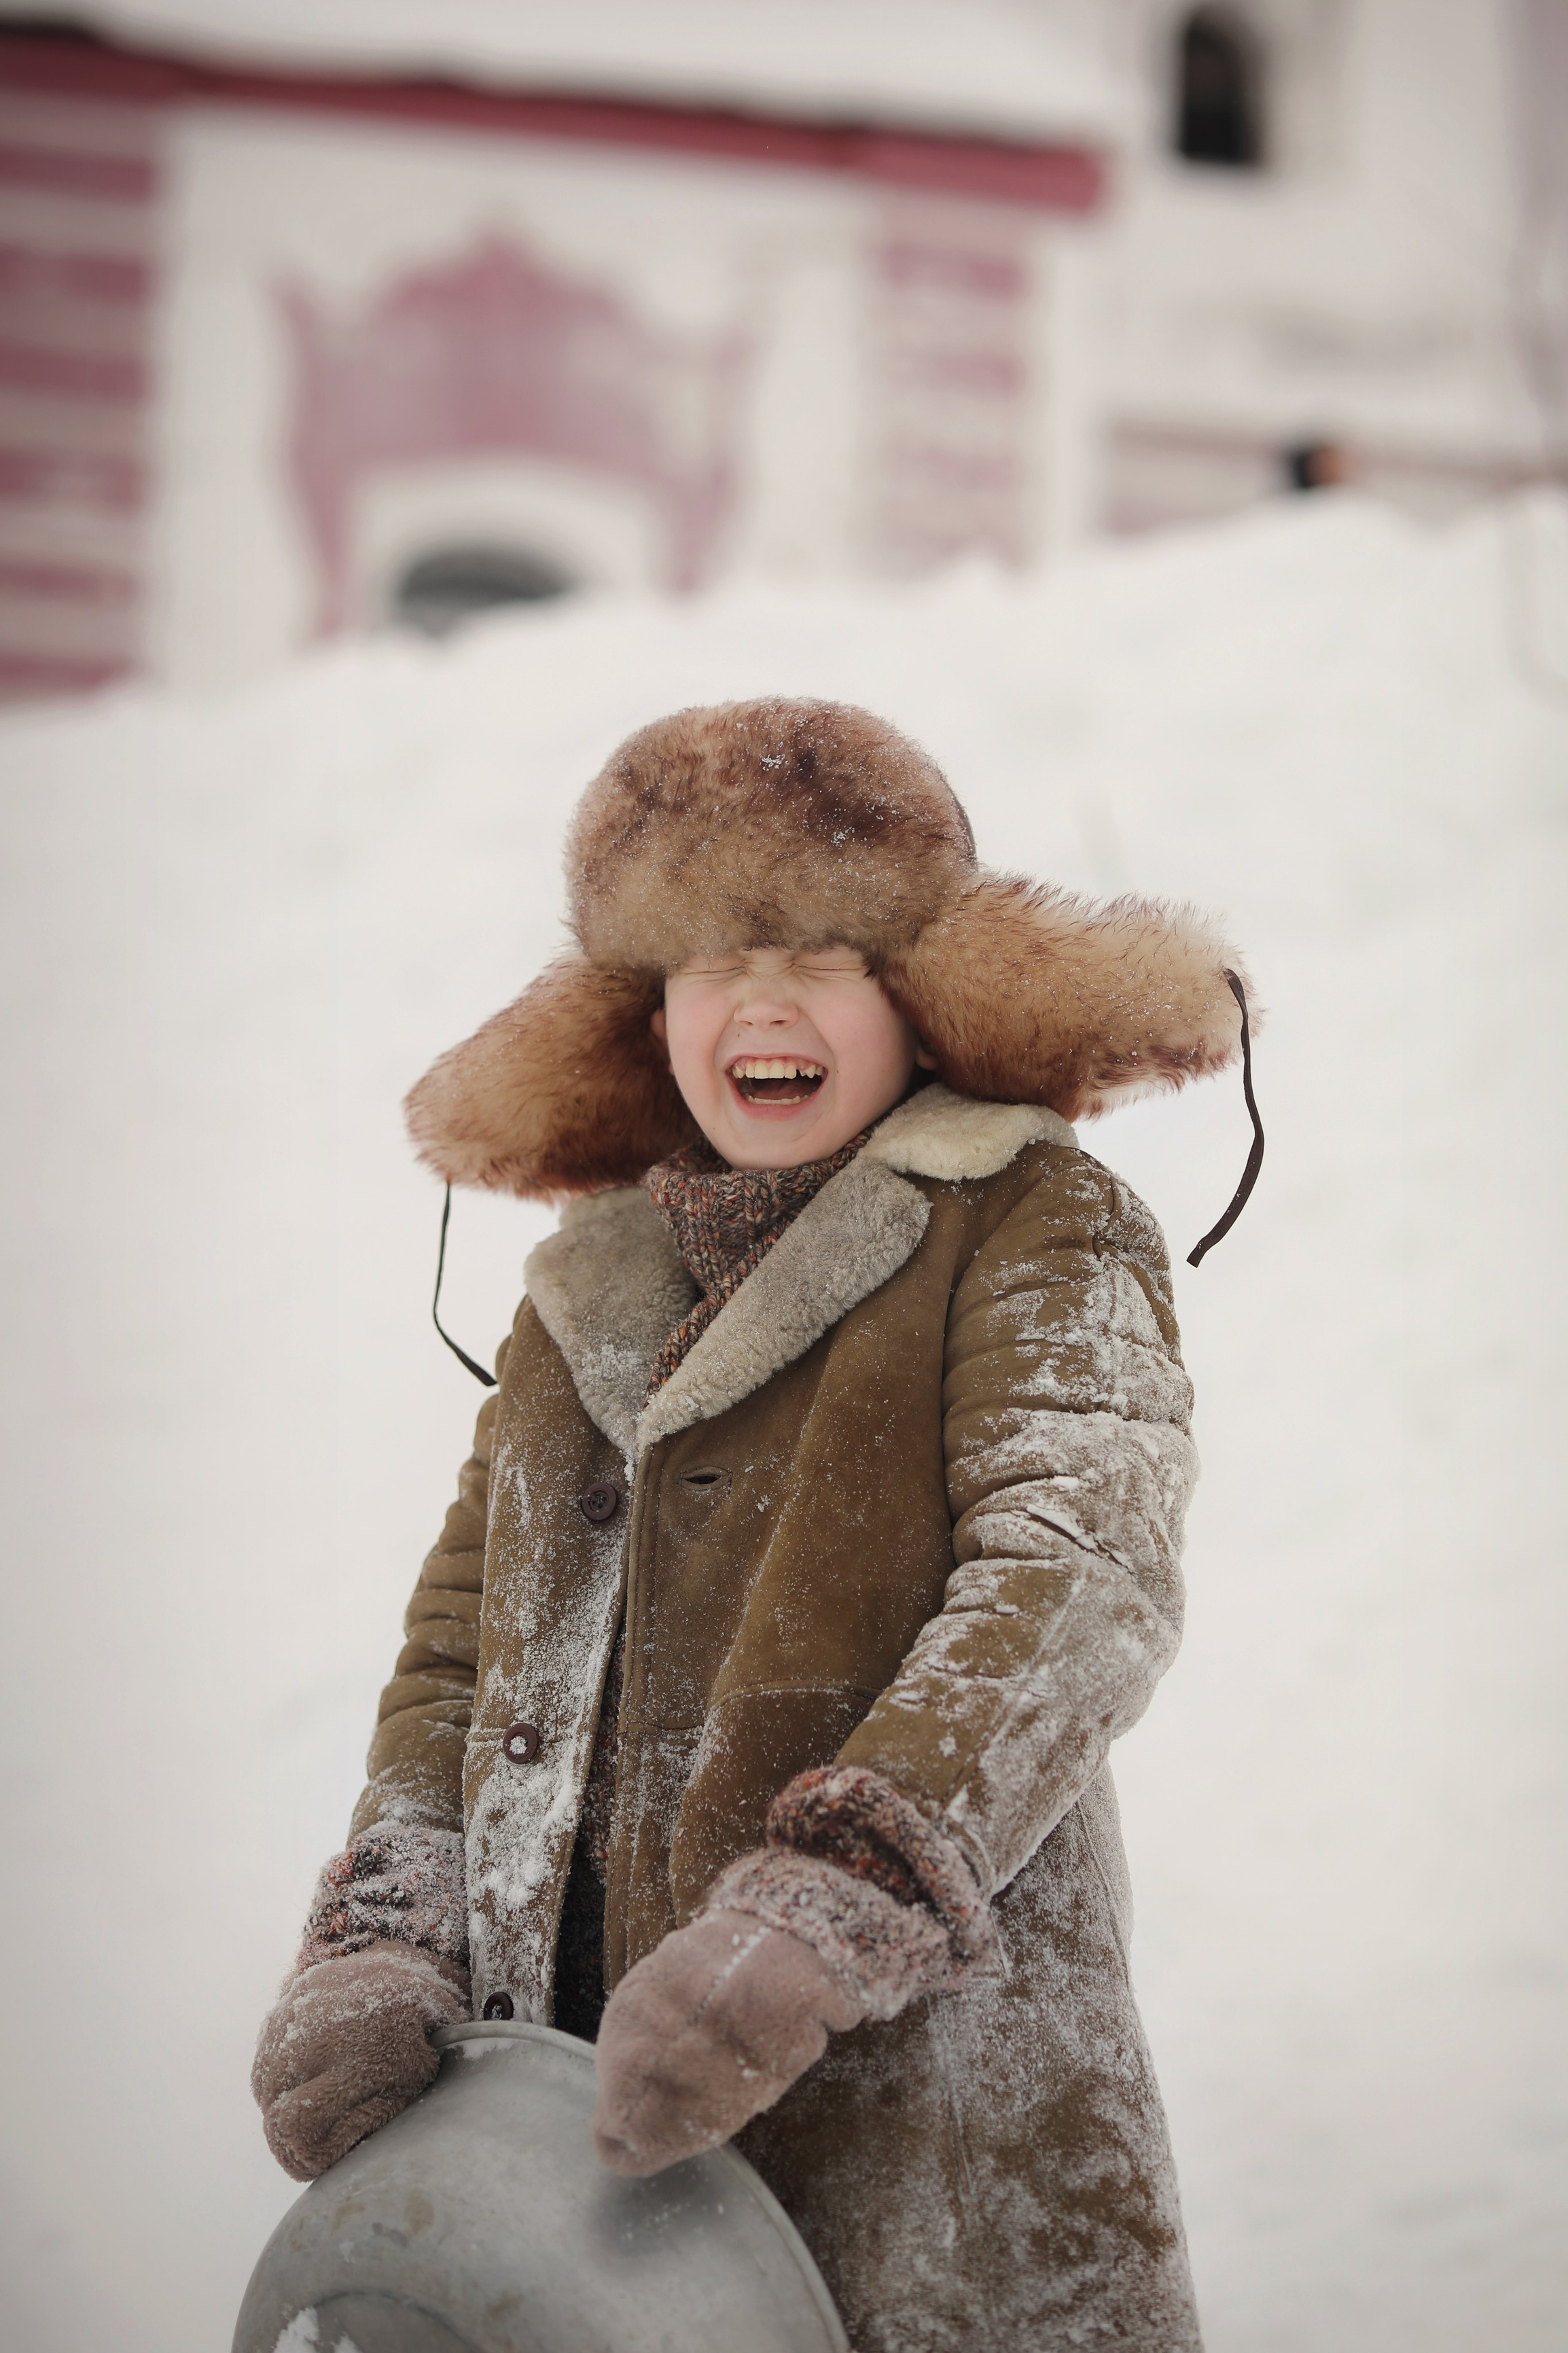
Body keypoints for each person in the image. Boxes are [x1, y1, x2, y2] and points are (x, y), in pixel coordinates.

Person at [251, 698, 1255, 2352]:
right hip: (570, 2171)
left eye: (823, 957)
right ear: (651, 1016)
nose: (763, 1002)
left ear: (917, 994)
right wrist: (389, 1925)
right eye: (710, 960)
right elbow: (457, 1647)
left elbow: (1080, 1574)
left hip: (927, 2169)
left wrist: (825, 1907)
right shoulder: (582, 1294)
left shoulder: (1031, 1219)